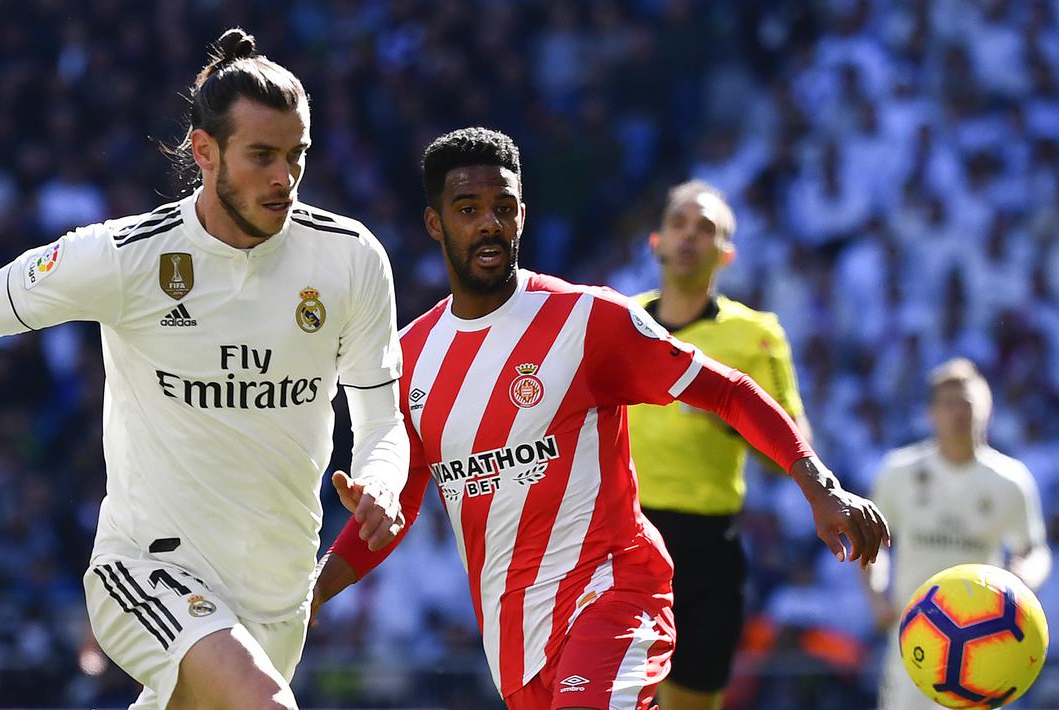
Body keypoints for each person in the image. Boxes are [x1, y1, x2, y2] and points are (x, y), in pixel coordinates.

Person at [0, 27, 409, 710]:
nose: (283, 178)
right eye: (261, 155)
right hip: (148, 567)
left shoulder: (349, 258)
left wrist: (381, 480)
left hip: (277, 597)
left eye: (296, 156)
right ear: (205, 152)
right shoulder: (129, 257)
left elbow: (382, 420)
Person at [311, 127, 890, 710]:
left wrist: (822, 487)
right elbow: (397, 508)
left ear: (522, 216)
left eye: (503, 208)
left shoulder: (589, 320)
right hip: (514, 637)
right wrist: (315, 591)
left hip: (614, 594)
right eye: (468, 210)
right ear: (435, 224)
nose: (489, 223)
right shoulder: (410, 359)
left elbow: (731, 392)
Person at [625, 180, 811, 710]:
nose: (689, 236)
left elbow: (794, 448)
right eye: (679, 223)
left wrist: (733, 419)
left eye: (705, 229)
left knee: (691, 701)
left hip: (706, 546)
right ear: (656, 240)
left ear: (726, 254)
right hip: (621, 539)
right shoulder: (621, 321)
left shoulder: (756, 335)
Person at [864, 358, 1051, 710]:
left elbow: (1036, 550)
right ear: (932, 413)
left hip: (987, 648)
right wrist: (876, 593)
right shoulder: (898, 471)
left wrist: (1023, 578)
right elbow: (873, 544)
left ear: (987, 409)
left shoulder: (1011, 480)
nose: (959, 413)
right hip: (916, 640)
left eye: (968, 403)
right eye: (949, 404)